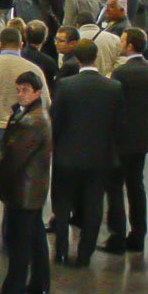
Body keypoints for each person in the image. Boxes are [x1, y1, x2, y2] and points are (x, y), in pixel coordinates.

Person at [50, 42, 125, 268]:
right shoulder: (113, 87)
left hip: (67, 157)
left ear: (77, 58)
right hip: (100, 157)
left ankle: (61, 251)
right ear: (96, 56)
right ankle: (85, 254)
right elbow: (119, 124)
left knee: (62, 205)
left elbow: (55, 121)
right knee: (94, 206)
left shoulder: (65, 85)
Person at [0, 70, 53, 294]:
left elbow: (14, 157)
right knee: (35, 238)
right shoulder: (35, 114)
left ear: (38, 92)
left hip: (23, 190)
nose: (21, 94)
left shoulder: (31, 121)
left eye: (25, 90)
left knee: (18, 244)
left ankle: (12, 292)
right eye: (18, 90)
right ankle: (39, 283)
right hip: (33, 189)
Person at [104, 29, 148, 255]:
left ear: (129, 46)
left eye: (123, 40)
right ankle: (138, 235)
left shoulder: (121, 73)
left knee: (115, 188)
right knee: (136, 186)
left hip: (121, 139)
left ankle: (117, 236)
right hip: (142, 137)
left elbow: (114, 105)